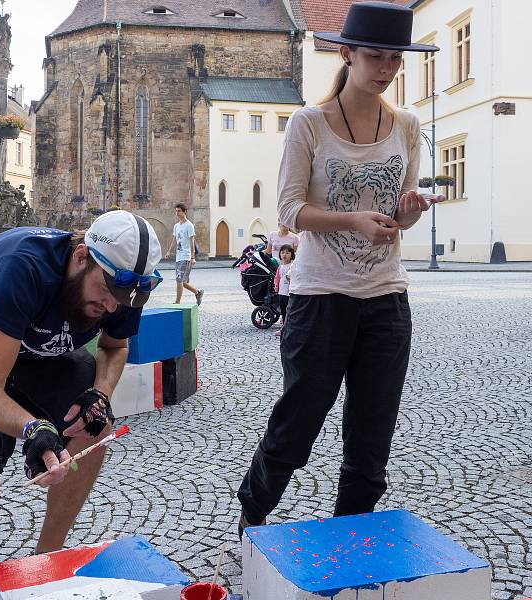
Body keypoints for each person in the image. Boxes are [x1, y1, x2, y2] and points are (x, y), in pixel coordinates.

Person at [237, 1, 445, 536]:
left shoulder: (406, 125)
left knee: (372, 436)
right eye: (375, 56)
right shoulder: (310, 124)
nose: (386, 69)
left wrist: (407, 212)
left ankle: (351, 536)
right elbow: (287, 211)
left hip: (386, 300)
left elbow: (397, 218)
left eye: (395, 60)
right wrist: (354, 219)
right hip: (320, 298)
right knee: (297, 426)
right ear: (347, 54)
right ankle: (252, 515)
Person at [0, 210, 162, 592]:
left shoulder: (123, 292)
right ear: (82, 257)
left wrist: (100, 395)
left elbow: (114, 346)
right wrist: (34, 429)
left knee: (93, 424)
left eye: (120, 302)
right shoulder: (23, 268)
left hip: (46, 350)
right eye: (104, 294)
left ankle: (46, 556)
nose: (110, 308)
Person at [165, 203, 204, 305]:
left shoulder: (189, 225)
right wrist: (169, 251)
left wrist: (192, 257)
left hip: (186, 256)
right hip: (178, 257)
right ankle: (198, 292)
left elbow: (192, 242)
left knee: (179, 280)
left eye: (179, 211)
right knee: (183, 282)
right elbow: (175, 240)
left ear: (185, 211)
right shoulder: (176, 226)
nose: (177, 213)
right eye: (176, 211)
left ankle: (177, 302)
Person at [274, 245, 295, 337]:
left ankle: (288, 327)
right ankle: (283, 327)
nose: (284, 255)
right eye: (282, 253)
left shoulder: (292, 266)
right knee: (283, 310)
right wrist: (276, 286)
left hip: (289, 292)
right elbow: (277, 277)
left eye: (287, 253)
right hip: (281, 292)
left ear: (292, 255)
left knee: (289, 310)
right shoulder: (280, 267)